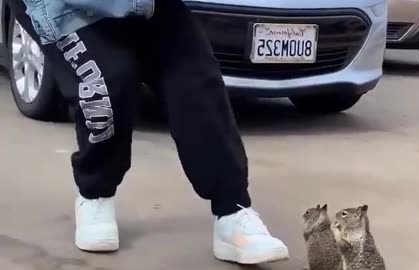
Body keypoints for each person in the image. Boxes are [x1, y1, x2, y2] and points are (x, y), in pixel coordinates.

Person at [9, 0, 289, 264]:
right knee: (109, 85)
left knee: (196, 84)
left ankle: (233, 210)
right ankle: (95, 193)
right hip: (67, 6)